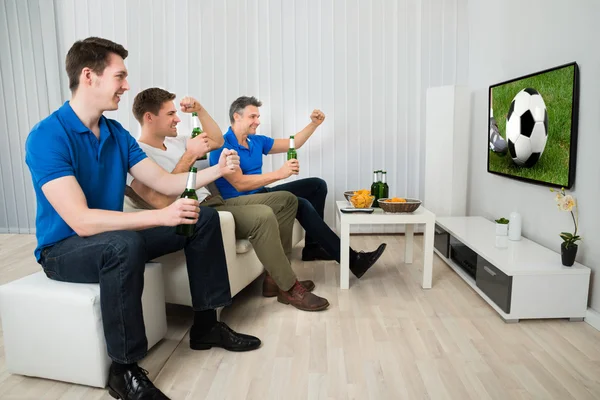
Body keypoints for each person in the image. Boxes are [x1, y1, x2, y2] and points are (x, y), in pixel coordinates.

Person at [24, 37, 259, 400]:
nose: (127, 86)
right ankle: (125, 369)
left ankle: (206, 326)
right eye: (120, 76)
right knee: (125, 244)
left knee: (203, 219)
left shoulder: (116, 134)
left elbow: (163, 181)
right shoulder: (47, 136)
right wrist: (163, 216)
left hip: (109, 239)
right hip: (63, 249)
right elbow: (82, 222)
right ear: (89, 76)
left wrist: (217, 173)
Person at [127, 87, 329, 312]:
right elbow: (160, 201)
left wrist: (200, 109)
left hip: (215, 201)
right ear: (149, 117)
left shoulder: (176, 141)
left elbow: (215, 139)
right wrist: (190, 155)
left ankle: (275, 279)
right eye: (170, 114)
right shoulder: (138, 154)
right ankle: (289, 288)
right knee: (263, 215)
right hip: (200, 212)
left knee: (287, 200)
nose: (177, 119)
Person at [210, 96, 387, 279]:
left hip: (261, 194)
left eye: (258, 116)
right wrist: (279, 174)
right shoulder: (222, 146)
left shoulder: (255, 141)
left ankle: (313, 248)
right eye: (252, 117)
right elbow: (239, 184)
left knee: (317, 186)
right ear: (236, 117)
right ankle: (353, 260)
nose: (258, 121)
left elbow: (294, 143)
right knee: (299, 203)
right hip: (241, 202)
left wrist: (314, 124)